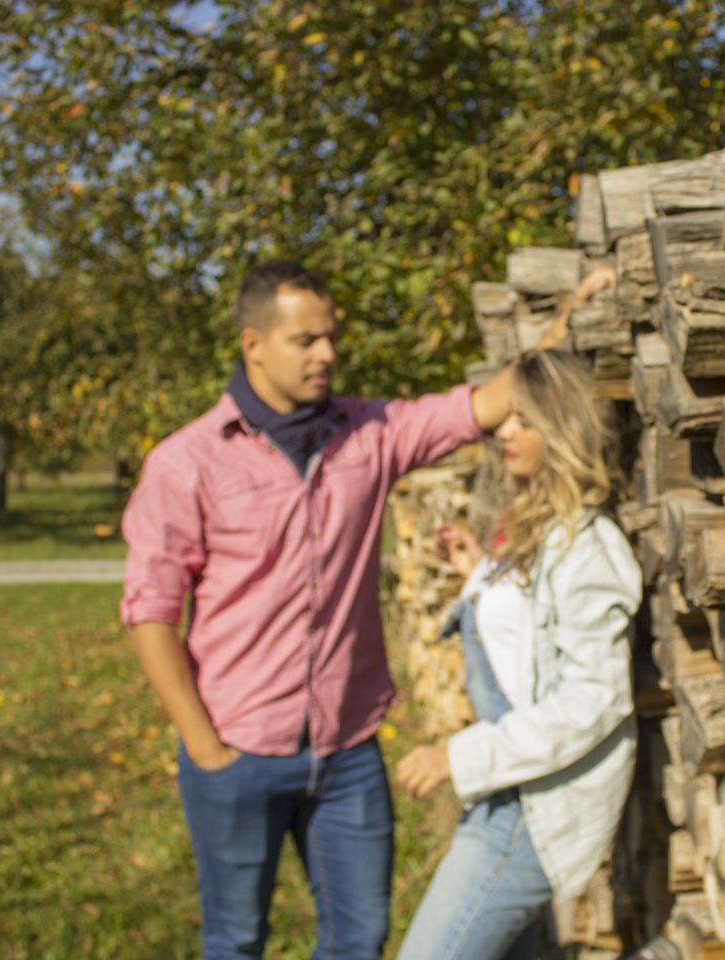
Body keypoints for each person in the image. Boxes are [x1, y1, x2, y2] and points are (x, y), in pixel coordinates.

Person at [119, 258, 614, 960]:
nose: (327, 354)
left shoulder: (370, 434)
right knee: (234, 941)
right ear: (253, 345)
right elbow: (150, 613)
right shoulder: (186, 464)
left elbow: (488, 402)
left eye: (330, 338)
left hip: (348, 753)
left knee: (359, 940)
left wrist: (568, 318)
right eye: (305, 341)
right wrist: (204, 747)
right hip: (236, 752)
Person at [394, 348, 642, 960]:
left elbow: (594, 698)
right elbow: (531, 634)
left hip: (533, 813)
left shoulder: (589, 547)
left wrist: (461, 754)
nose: (504, 429)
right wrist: (475, 571)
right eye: (508, 417)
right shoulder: (539, 527)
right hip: (508, 793)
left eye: (525, 420)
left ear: (562, 431)